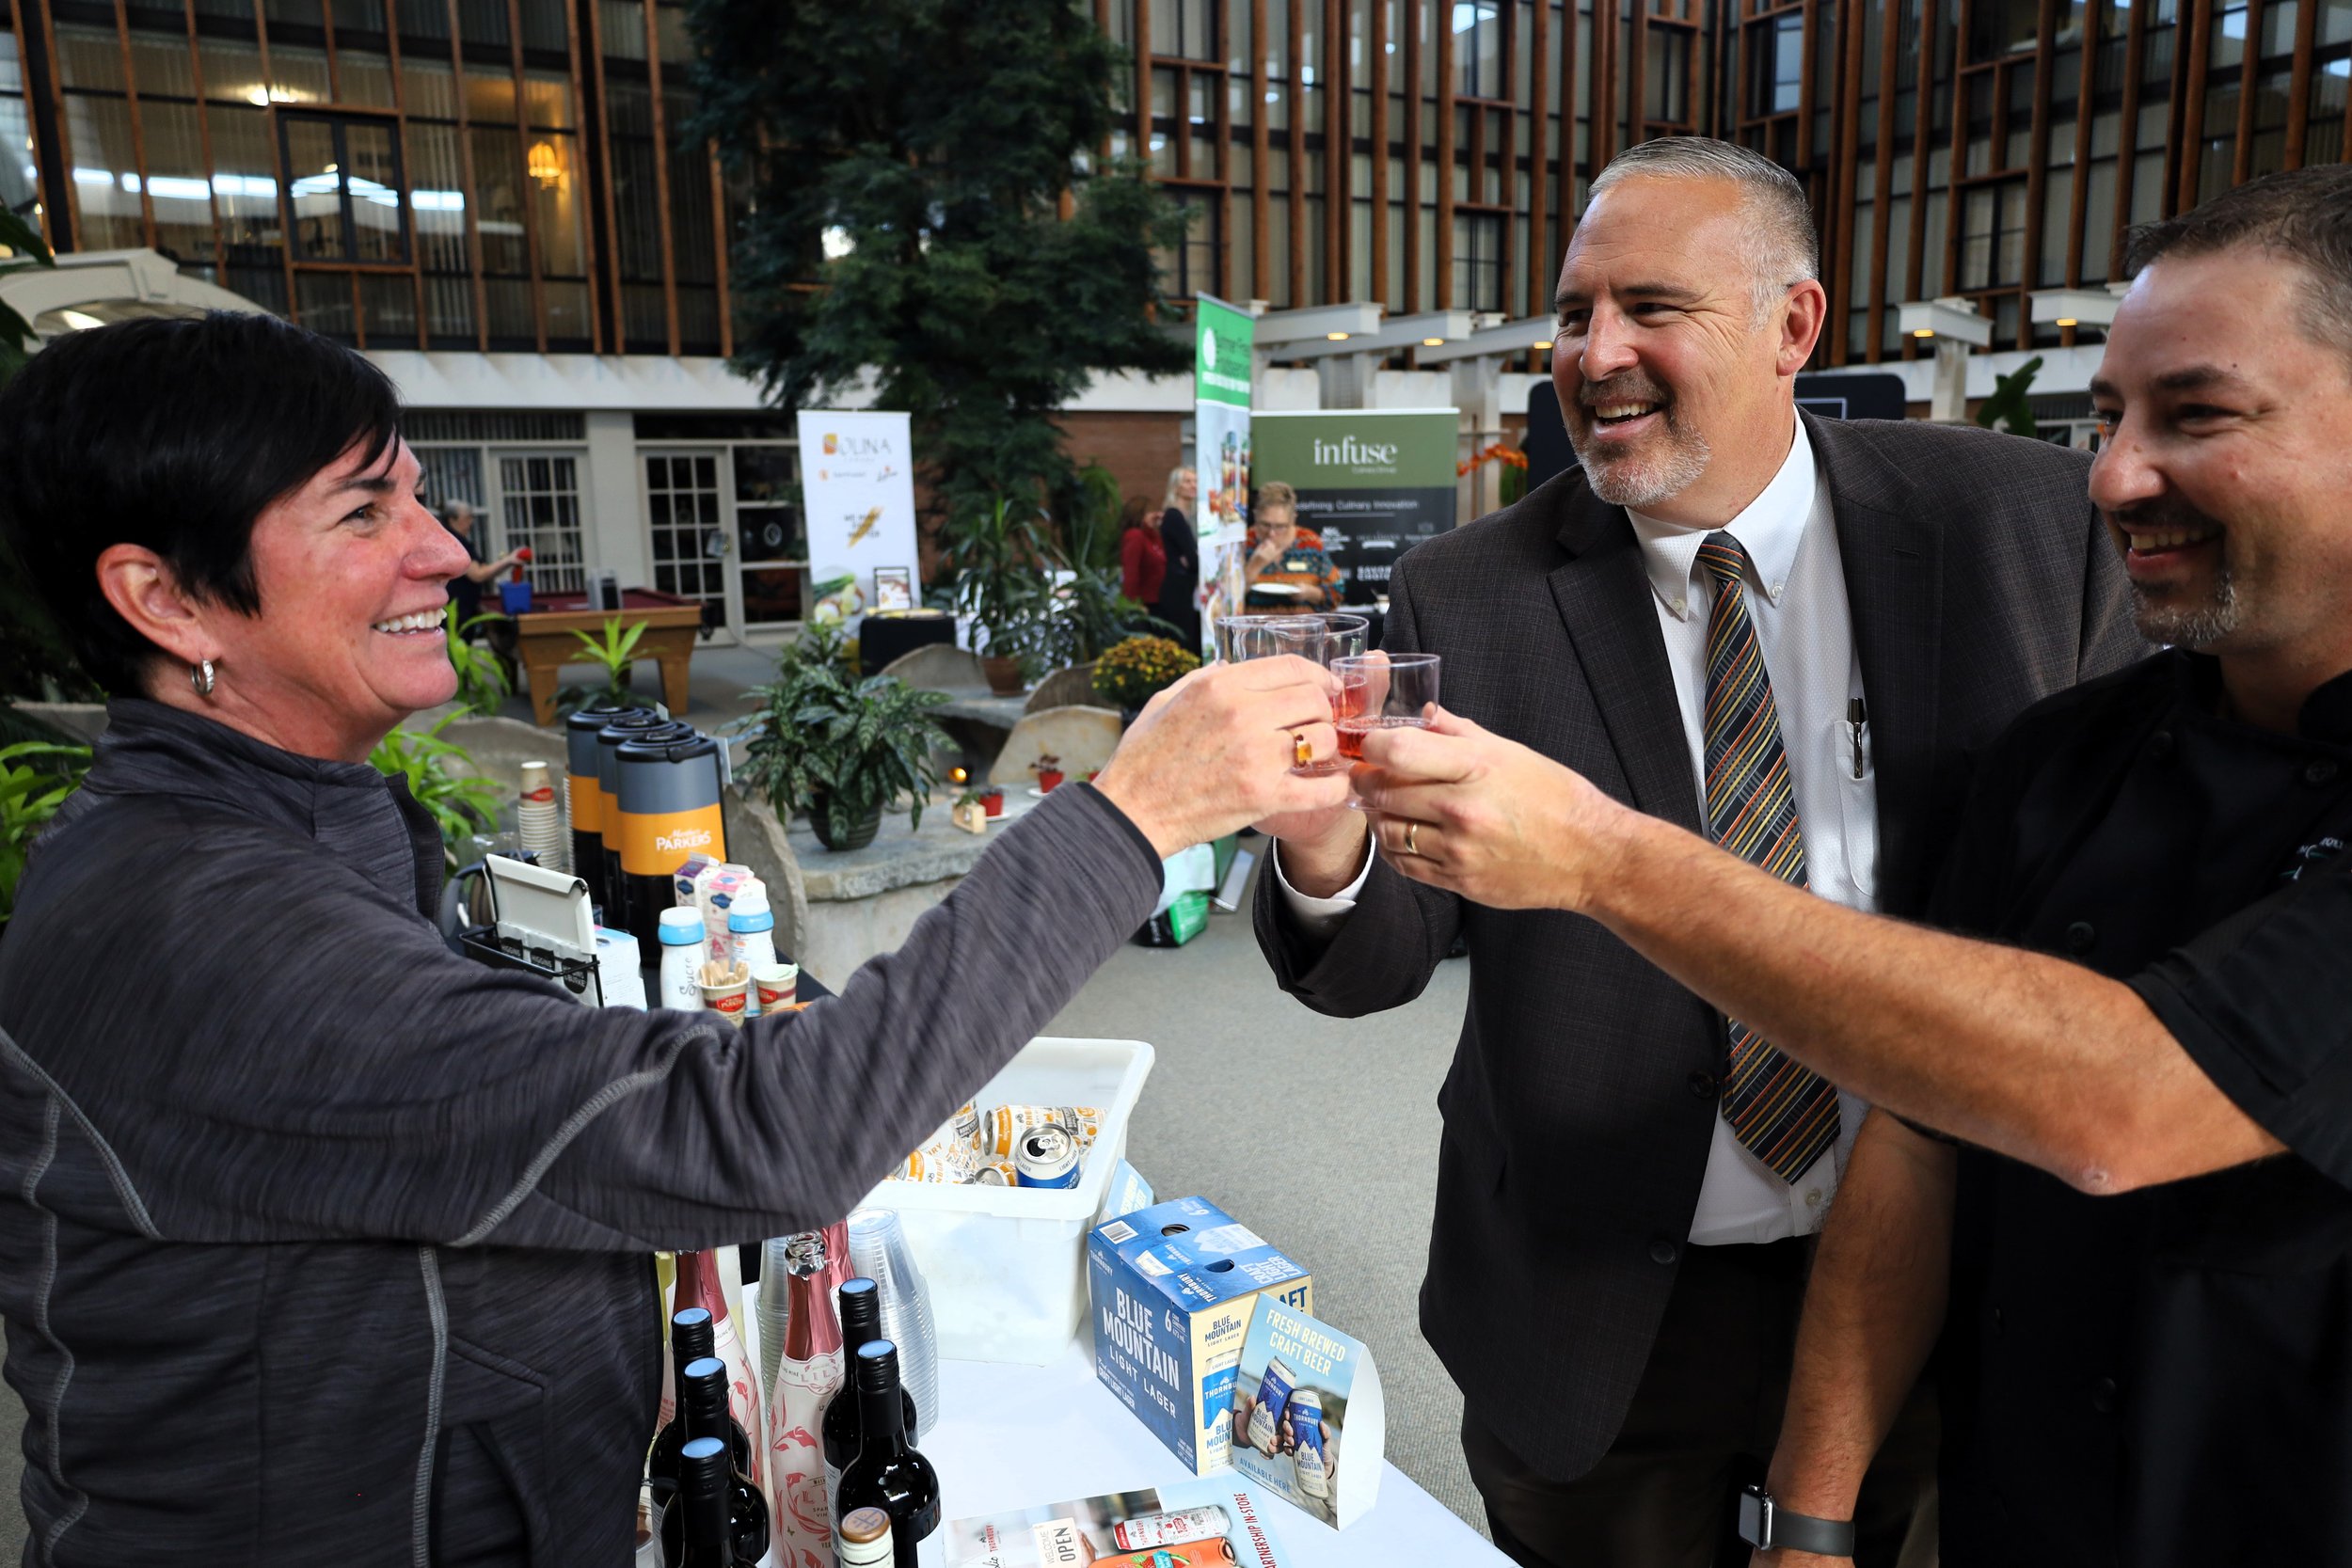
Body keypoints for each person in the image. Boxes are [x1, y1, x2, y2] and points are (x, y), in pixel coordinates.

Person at [0, 311, 1351, 1565]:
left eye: (418, 493)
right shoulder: (200, 927)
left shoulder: (275, 832)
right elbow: (771, 1138)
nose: (448, 551)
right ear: (166, 600)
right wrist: (1137, 814)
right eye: (367, 511)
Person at [1344, 164, 2352, 1568]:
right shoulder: (2081, 757)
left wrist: (1601, 858)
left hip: (2050, 1380)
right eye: (1573, 312)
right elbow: (1932, 1124)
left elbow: (2104, 1087)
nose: (2120, 472)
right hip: (1622, 1319)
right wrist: (1326, 849)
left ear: (1793, 324)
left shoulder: (2024, 525)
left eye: (2196, 412)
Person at [1243, 482, 1344, 610]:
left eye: (1280, 526)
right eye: (1265, 525)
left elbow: (1337, 591)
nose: (1271, 533)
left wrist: (1311, 593)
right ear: (1255, 515)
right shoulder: (1244, 543)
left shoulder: (1310, 543)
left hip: (1302, 627)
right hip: (1256, 626)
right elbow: (1228, 599)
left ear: (1293, 520)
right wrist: (1254, 566)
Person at [440, 497, 525, 632]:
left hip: (465, 611)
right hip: (456, 615)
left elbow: (484, 570)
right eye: (467, 518)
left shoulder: (459, 539)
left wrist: (509, 561)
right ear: (452, 520)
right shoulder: (453, 540)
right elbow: (477, 575)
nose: (471, 522)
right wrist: (508, 560)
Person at [1155, 465, 1201, 652]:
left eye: (1195, 481)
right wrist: (1193, 559)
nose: (1193, 485)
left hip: (1184, 586)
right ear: (1176, 486)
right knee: (1183, 641)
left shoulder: (1184, 515)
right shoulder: (1174, 515)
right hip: (1178, 589)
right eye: (1187, 481)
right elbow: (1192, 558)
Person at [1120, 492, 1167, 610]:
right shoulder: (1134, 536)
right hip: (1145, 603)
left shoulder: (1152, 537)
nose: (1154, 515)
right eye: (1149, 512)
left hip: (1159, 600)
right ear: (1139, 515)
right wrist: (1133, 603)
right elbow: (1131, 571)